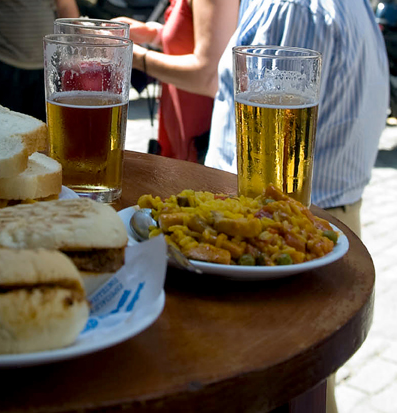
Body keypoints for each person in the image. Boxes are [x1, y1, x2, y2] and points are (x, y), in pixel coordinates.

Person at [204, 2, 388, 411]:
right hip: (332, 218)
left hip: (280, 234)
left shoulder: (292, 8)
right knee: (312, 386)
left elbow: (269, 173)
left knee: (273, 386)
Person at [114, 0, 238, 163]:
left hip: (202, 144)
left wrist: (132, 55)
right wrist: (154, 35)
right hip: (184, 138)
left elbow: (210, 77)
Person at [0, 0, 80, 122]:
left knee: (43, 132)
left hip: (49, 66)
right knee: (2, 129)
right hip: (2, 62)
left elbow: (65, 4)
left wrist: (75, 50)